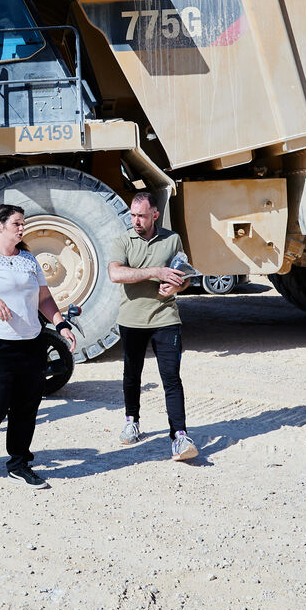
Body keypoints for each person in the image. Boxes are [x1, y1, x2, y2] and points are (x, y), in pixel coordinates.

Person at [0, 204, 76, 488]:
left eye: (23, 223)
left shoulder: (29, 260)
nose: (22, 228)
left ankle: (19, 463)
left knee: (26, 407)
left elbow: (44, 299)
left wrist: (61, 324)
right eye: (17, 223)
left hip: (30, 344)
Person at [108, 190, 200, 461]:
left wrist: (176, 286)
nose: (136, 220)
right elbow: (115, 273)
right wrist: (155, 272)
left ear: (155, 215)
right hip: (131, 320)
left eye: (141, 216)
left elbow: (184, 275)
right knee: (132, 374)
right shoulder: (123, 241)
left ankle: (180, 437)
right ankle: (132, 421)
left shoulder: (172, 239)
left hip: (165, 318)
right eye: (132, 215)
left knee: (171, 378)